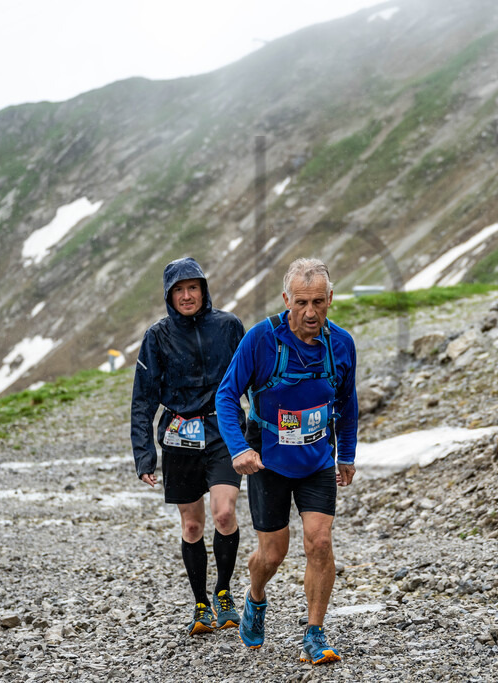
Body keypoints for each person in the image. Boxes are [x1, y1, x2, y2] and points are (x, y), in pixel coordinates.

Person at [215, 257, 357, 666]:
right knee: (272, 554)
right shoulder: (261, 339)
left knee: (320, 542)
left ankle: (314, 633)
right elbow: (227, 395)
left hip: (316, 459)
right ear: (286, 299)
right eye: (301, 302)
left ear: (330, 298)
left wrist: (346, 453)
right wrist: (240, 448)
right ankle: (255, 597)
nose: (310, 312)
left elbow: (348, 403)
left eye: (318, 301)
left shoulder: (342, 344)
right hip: (269, 461)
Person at [131, 256, 246, 636]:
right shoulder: (157, 337)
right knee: (193, 524)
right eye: (178, 290)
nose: (186, 295)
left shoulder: (229, 327)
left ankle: (224, 592)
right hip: (179, 436)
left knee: (225, 514)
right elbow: (143, 399)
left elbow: (255, 378)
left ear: (204, 290)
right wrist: (144, 454)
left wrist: (262, 432)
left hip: (222, 430)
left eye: (192, 287)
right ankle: (201, 604)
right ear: (169, 295)